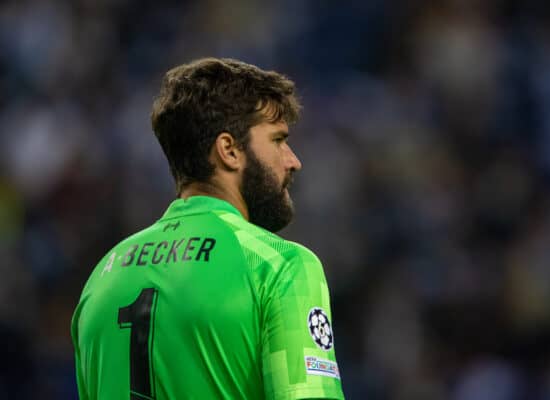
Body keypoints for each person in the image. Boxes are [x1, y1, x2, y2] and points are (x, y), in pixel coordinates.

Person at [71, 58, 345, 400]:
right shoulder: (279, 266)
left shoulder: (101, 279)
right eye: (277, 140)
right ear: (229, 150)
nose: (293, 160)